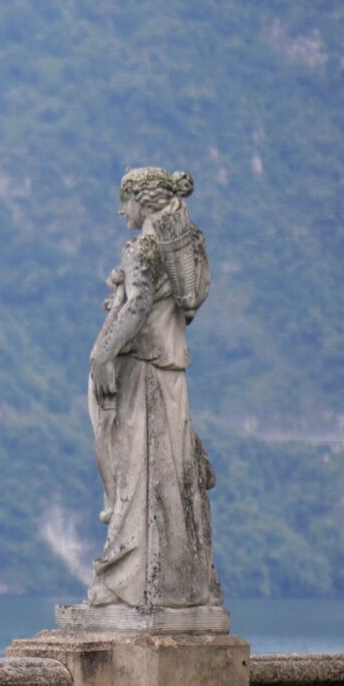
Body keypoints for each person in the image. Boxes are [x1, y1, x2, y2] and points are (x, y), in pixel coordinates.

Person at [86, 166, 220, 610]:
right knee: (171, 475)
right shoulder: (179, 249)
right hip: (170, 374)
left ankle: (132, 582)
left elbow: (138, 305)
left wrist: (103, 354)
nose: (119, 209)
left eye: (123, 200)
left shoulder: (144, 248)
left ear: (141, 201)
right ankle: (178, 583)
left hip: (144, 374)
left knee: (139, 475)